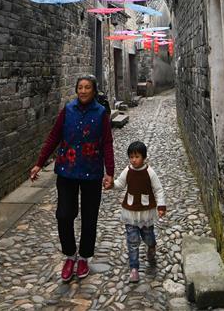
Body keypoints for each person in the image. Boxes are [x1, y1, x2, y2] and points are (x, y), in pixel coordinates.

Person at [30, 75, 114, 282]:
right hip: (67, 171)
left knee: (89, 217)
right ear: (76, 90)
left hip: (92, 172)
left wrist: (110, 172)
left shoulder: (101, 113)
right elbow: (54, 136)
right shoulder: (68, 110)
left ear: (94, 90)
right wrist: (40, 162)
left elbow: (107, 143)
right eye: (80, 87)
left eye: (87, 87)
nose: (83, 91)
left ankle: (84, 257)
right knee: (64, 215)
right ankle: (70, 255)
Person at [109, 140, 167, 283]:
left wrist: (161, 206)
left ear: (144, 157)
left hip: (146, 211)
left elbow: (159, 190)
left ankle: (151, 246)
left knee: (148, 237)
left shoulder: (149, 173)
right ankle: (134, 268)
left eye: (137, 157)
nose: (133, 160)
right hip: (131, 211)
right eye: (131, 157)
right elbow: (120, 184)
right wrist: (111, 185)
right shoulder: (127, 171)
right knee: (132, 241)